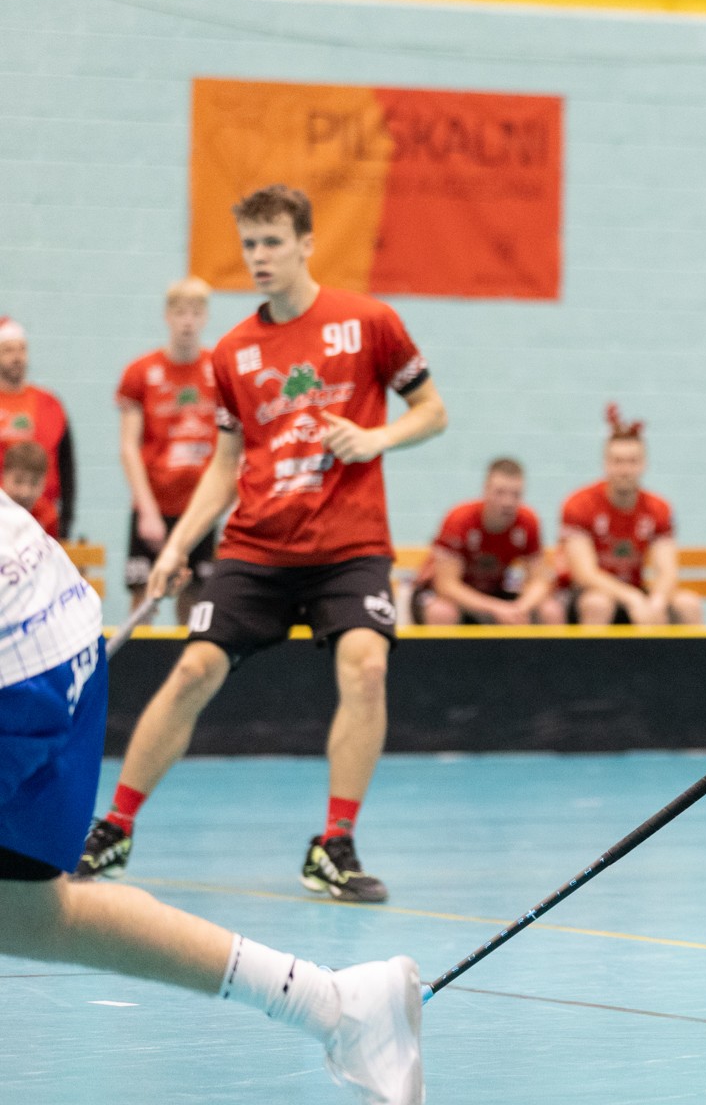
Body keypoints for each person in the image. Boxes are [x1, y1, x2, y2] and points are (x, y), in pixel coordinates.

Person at [75, 184, 448, 904]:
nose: (260, 257)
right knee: (193, 669)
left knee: (367, 667)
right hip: (257, 548)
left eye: (273, 242)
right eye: (250, 245)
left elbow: (432, 411)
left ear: (306, 243)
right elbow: (225, 466)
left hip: (349, 545)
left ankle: (334, 845)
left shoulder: (369, 323)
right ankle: (114, 827)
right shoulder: (233, 353)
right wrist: (178, 546)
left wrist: (377, 437)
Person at [0, 492, 424, 1104]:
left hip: (19, 654)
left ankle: (335, 864)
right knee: (24, 911)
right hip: (52, 614)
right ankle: (334, 1005)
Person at [118, 276, 220, 624]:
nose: (187, 321)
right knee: (144, 599)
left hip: (199, 509)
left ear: (205, 317)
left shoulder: (217, 371)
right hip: (155, 506)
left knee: (195, 601)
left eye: (195, 313)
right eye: (180, 313)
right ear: (167, 316)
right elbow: (129, 447)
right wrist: (147, 510)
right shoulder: (141, 373)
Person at [558, 405, 703, 626]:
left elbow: (667, 571)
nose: (625, 470)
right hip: (590, 594)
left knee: (688, 604)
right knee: (598, 604)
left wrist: (657, 601)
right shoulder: (579, 504)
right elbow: (585, 574)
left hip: (635, 590)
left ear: (644, 464)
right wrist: (632, 598)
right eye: (618, 461)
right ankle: (591, 651)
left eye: (632, 461)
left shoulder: (658, 508)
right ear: (606, 464)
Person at [413, 457, 558, 625]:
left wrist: (520, 608)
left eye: (516, 494)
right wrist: (496, 608)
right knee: (442, 612)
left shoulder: (527, 522)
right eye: (500, 493)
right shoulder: (460, 519)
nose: (508, 502)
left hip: (494, 593)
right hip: (440, 595)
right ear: (486, 490)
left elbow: (540, 580)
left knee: (550, 610)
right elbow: (446, 586)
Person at [0, 316, 74, 538]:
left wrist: (67, 517)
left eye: (21, 349)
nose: (16, 357)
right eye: (8, 350)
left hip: (43, 519)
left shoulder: (49, 404)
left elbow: (66, 464)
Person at [2, 440, 49, 515]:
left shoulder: (47, 516)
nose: (25, 493)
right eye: (18, 481)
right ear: (4, 476)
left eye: (34, 483)